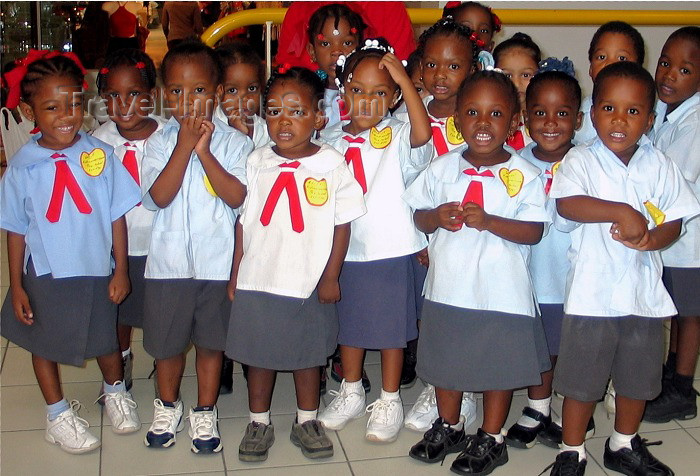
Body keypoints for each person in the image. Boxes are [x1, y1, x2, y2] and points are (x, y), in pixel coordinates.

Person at [546, 61, 700, 476]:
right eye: (609, 108)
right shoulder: (580, 160)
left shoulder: (659, 165)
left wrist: (653, 238)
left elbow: (676, 218)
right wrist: (620, 211)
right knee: (581, 383)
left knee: (638, 380)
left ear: (649, 120)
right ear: (593, 112)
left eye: (633, 112)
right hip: (591, 299)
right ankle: (571, 450)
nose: (619, 119)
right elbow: (567, 204)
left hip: (643, 298)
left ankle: (623, 444)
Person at [404, 69, 550, 476]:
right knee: (447, 364)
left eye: (496, 114)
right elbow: (418, 216)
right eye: (472, 112)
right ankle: (450, 425)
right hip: (449, 289)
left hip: (502, 294)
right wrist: (436, 216)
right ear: (456, 119)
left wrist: (490, 221)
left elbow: (534, 231)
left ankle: (492, 435)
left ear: (514, 121)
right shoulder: (441, 168)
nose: (483, 123)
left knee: (496, 368)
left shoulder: (525, 175)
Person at [0, 52, 142, 454]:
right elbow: (14, 229)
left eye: (75, 103)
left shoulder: (100, 155)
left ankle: (115, 392)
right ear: (29, 111)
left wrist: (121, 271)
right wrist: (18, 285)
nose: (67, 114)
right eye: (52, 107)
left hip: (97, 266)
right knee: (43, 342)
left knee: (105, 339)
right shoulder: (21, 168)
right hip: (45, 273)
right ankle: (57, 414)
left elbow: (117, 214)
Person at [227, 66, 366, 462]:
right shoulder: (255, 162)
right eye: (273, 111)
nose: (284, 121)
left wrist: (331, 275)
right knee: (260, 356)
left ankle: (307, 419)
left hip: (307, 279)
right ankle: (259, 420)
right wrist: (236, 273)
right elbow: (244, 224)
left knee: (307, 356)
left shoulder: (332, 164)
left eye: (296, 111)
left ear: (319, 117)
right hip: (259, 277)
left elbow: (343, 224)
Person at [317, 38, 432, 443]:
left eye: (381, 92)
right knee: (349, 325)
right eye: (358, 91)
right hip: (344, 251)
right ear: (343, 90)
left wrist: (408, 82)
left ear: (396, 97)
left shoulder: (399, 133)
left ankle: (389, 398)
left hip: (389, 246)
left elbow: (423, 136)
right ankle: (350, 389)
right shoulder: (328, 139)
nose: (367, 101)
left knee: (389, 330)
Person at [140, 40, 252, 454]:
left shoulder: (235, 143)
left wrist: (204, 153)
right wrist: (183, 146)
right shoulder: (158, 141)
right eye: (176, 91)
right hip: (167, 268)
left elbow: (238, 196)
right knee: (167, 347)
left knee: (211, 344)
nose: (187, 101)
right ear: (163, 94)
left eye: (199, 90)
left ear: (218, 93)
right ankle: (167, 405)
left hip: (216, 265)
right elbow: (159, 196)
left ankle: (205, 411)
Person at [505, 58, 597, 450]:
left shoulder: (591, 162)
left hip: (575, 277)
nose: (550, 122)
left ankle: (569, 408)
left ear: (577, 120)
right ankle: (538, 404)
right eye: (539, 112)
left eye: (562, 114)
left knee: (572, 348)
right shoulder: (514, 163)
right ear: (525, 117)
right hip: (530, 276)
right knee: (538, 344)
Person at [400, 18, 479, 434]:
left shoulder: (479, 119)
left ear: (473, 69)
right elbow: (406, 184)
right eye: (431, 64)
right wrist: (421, 236)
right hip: (425, 230)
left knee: (463, 314)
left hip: (470, 237)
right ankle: (439, 385)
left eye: (454, 66)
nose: (440, 75)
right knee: (431, 317)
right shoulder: (408, 118)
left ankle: (464, 389)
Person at [92, 48, 166, 393]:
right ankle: (120, 362)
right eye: (113, 96)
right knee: (118, 313)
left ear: (151, 96)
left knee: (160, 313)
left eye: (134, 94)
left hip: (161, 243)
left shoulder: (169, 136)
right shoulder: (96, 145)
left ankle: (166, 365)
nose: (123, 104)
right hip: (116, 246)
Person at [644, 26, 700, 424]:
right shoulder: (669, 112)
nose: (668, 74)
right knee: (677, 313)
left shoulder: (694, 124)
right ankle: (671, 370)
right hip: (673, 239)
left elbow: (672, 179)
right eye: (665, 63)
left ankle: (682, 387)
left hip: (689, 241)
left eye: (683, 69)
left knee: (690, 315)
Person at [574, 21, 645, 145]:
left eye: (622, 58)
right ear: (590, 68)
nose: (609, 65)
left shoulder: (642, 116)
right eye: (601, 57)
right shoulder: (576, 114)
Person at [306, 4, 366, 128]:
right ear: (312, 51)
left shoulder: (370, 91)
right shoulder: (307, 93)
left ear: (360, 48)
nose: (337, 51)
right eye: (326, 43)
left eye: (347, 43)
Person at [215, 42, 271, 149]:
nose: (245, 98)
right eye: (232, 90)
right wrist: (237, 134)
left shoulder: (266, 131)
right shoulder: (211, 127)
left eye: (252, 88)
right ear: (217, 91)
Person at [493, 32, 541, 151]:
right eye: (508, 75)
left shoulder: (546, 121)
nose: (516, 84)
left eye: (526, 75)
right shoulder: (488, 120)